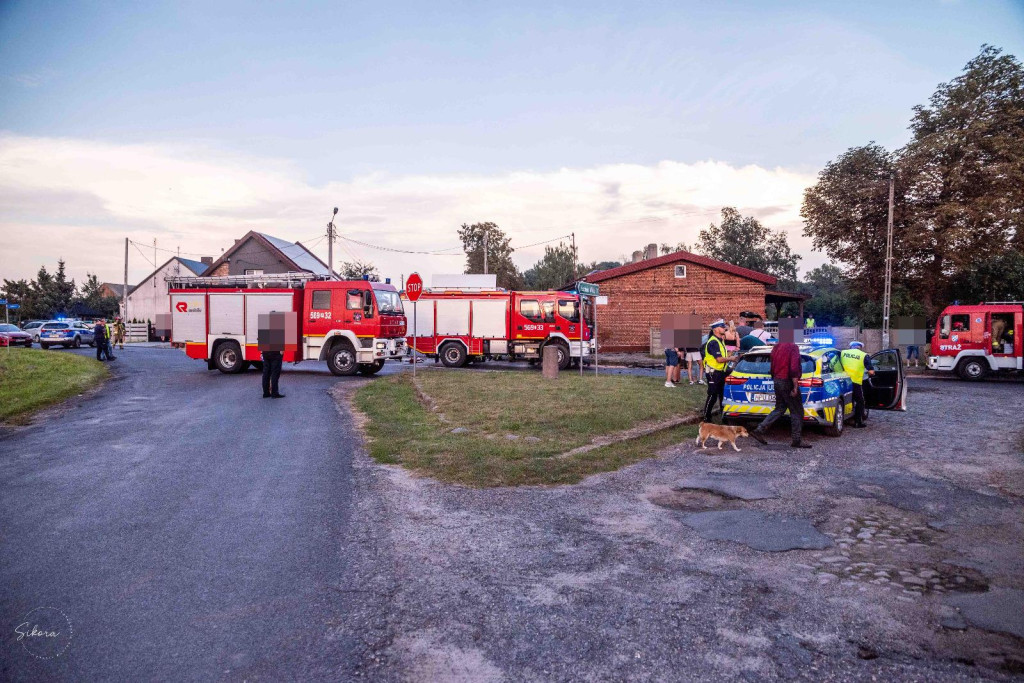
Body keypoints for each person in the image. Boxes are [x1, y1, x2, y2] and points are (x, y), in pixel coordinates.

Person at [749, 329, 812, 448]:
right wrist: (795, 386)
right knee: (797, 410)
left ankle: (759, 429)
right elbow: (794, 368)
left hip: (777, 380)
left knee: (780, 407)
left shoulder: (776, 347)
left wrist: (775, 378)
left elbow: (772, 365)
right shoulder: (793, 347)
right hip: (787, 381)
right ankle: (796, 440)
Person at [702, 320, 738, 422]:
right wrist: (731, 359)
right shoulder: (713, 342)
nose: (724, 329)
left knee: (722, 394)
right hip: (713, 372)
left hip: (720, 371)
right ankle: (706, 418)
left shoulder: (720, 340)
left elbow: (723, 357)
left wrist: (731, 354)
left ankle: (723, 417)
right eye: (722, 327)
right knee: (712, 395)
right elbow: (719, 359)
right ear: (716, 329)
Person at [839, 341, 875, 428]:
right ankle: (857, 422)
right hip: (855, 382)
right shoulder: (864, 355)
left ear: (851, 347)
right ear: (860, 347)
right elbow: (871, 371)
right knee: (860, 401)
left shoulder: (842, 353)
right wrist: (871, 374)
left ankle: (846, 416)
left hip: (842, 381)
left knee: (844, 400)